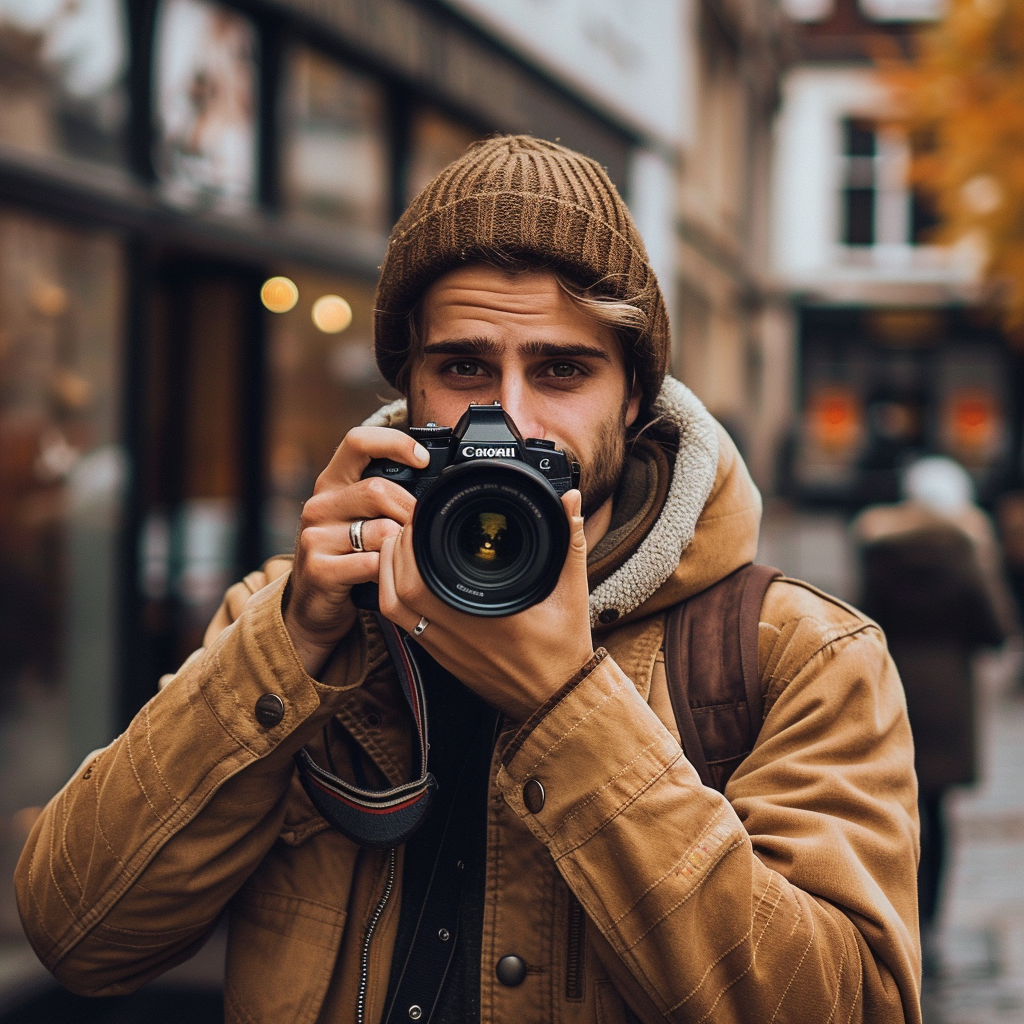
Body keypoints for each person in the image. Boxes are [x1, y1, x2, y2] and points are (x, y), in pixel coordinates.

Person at [16, 136, 921, 1024]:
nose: (510, 419)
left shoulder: (794, 656)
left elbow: (855, 1006)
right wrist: (288, 645)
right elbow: (77, 932)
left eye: (563, 369)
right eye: (463, 367)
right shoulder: (295, 621)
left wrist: (567, 707)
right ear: (407, 386)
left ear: (636, 398)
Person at [853, 457, 1017, 953]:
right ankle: (933, 915)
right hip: (950, 698)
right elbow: (997, 629)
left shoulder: (879, 554)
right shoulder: (966, 555)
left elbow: (860, 621)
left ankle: (898, 903)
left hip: (894, 689)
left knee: (896, 807)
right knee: (940, 809)